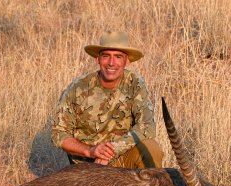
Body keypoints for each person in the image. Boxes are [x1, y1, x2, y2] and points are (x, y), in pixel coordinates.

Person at [51, 31, 163, 168]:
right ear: (97, 59)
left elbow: (147, 126)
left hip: (120, 159)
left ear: (127, 61)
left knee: (151, 148)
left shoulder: (135, 83)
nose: (111, 63)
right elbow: (59, 134)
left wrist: (114, 150)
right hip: (88, 166)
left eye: (118, 57)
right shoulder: (78, 87)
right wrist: (91, 151)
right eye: (106, 56)